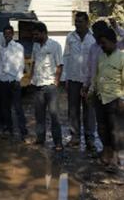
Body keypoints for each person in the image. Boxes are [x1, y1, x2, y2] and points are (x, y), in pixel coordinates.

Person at [88, 28, 124, 171]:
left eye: (104, 43)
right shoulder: (101, 57)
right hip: (100, 98)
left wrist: (122, 99)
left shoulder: (121, 58)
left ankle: (115, 159)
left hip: (115, 99)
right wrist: (91, 92)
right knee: (102, 129)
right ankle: (107, 153)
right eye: (100, 43)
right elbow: (96, 77)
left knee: (115, 131)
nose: (102, 46)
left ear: (114, 42)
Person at [63, 12, 96, 150]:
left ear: (87, 22)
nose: (77, 24)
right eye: (76, 21)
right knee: (73, 109)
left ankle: (90, 139)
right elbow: (66, 57)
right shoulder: (70, 37)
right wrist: (65, 78)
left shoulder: (93, 38)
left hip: (88, 81)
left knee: (89, 110)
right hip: (73, 79)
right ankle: (75, 137)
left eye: (80, 21)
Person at [31, 22, 63, 151]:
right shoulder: (35, 46)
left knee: (54, 115)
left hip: (50, 86)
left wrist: (56, 82)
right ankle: (40, 138)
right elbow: (33, 62)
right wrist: (31, 78)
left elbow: (60, 65)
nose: (34, 36)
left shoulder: (55, 45)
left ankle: (58, 143)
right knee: (39, 115)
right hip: (37, 85)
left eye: (36, 34)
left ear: (43, 33)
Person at [0, 25, 28, 140]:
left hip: (14, 80)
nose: (7, 35)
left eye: (9, 33)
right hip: (4, 81)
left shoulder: (18, 47)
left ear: (12, 33)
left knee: (17, 106)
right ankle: (9, 128)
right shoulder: (2, 49)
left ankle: (23, 130)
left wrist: (18, 78)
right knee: (5, 107)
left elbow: (21, 64)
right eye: (5, 33)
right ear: (4, 35)